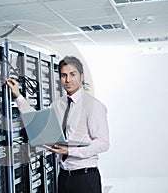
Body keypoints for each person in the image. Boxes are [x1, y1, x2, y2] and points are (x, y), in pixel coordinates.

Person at [6, 56, 109, 193]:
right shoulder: (57, 105)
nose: (68, 80)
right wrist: (18, 96)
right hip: (64, 177)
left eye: (73, 74)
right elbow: (37, 121)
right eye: (64, 75)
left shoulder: (94, 106)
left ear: (82, 76)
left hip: (85, 178)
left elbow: (103, 143)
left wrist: (71, 151)